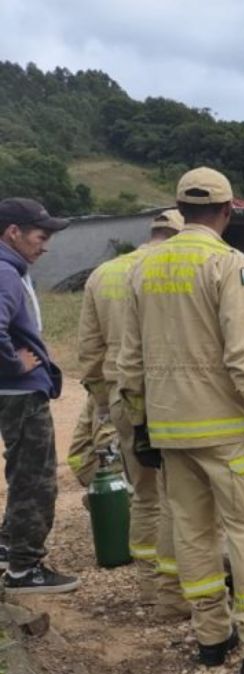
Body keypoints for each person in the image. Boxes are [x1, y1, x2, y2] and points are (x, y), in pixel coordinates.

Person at [118, 167, 244, 674]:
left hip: (168, 429)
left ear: (180, 209)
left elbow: (129, 359)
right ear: (229, 212)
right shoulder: (228, 265)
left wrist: (141, 423)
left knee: (191, 531)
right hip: (224, 430)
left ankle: (211, 636)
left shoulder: (142, 269)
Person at [77, 208, 189, 616]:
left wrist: (104, 403)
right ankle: (177, 589)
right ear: (179, 234)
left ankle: (148, 588)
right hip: (169, 395)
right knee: (181, 497)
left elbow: (89, 352)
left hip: (122, 396)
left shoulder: (102, 274)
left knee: (143, 495)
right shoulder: (172, 270)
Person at [0, 198, 78, 594]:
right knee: (37, 478)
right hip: (19, 391)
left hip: (17, 390)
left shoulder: (11, 269)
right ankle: (23, 570)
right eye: (40, 236)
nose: (45, 245)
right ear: (13, 232)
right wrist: (16, 364)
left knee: (23, 471)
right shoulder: (6, 274)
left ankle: (9, 545)